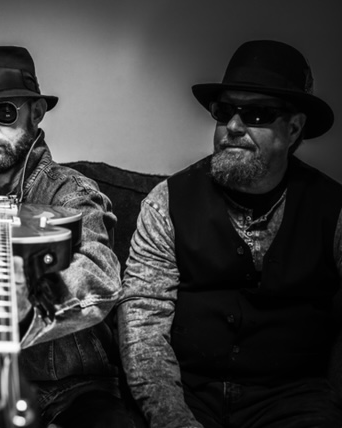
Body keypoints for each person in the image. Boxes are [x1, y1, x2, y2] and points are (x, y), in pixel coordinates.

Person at [117, 39, 342, 428]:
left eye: (257, 114)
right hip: (187, 393)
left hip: (293, 401)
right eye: (224, 112)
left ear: (293, 129)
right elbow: (143, 324)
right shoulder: (165, 203)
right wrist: (174, 420)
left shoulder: (334, 210)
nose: (233, 127)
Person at [0, 46, 132, 427]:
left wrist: (29, 297)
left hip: (76, 388)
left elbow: (99, 272)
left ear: (37, 113)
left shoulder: (72, 193)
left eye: (4, 111)